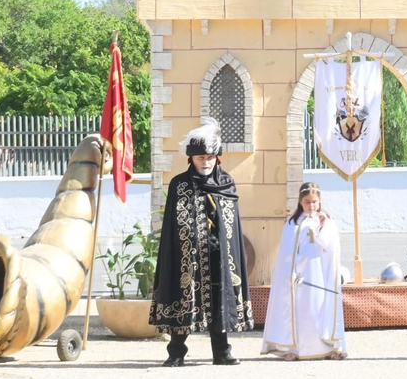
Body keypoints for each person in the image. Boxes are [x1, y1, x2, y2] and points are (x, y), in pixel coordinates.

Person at [149, 120, 252, 366]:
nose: (205, 162)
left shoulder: (227, 183)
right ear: (190, 159)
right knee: (184, 297)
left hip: (219, 253)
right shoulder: (179, 184)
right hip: (187, 254)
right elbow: (174, 227)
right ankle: (176, 353)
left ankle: (222, 352)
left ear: (217, 158)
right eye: (200, 158)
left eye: (209, 157)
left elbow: (232, 226)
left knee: (220, 299)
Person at [261, 181, 347, 361]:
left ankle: (327, 347)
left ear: (320, 201)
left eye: (314, 202)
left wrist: (322, 226)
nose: (311, 206)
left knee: (318, 309)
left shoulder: (326, 222)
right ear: (300, 202)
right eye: (307, 202)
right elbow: (286, 253)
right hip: (297, 278)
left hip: (319, 274)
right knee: (297, 312)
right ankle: (293, 349)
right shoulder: (292, 223)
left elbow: (329, 247)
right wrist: (289, 273)